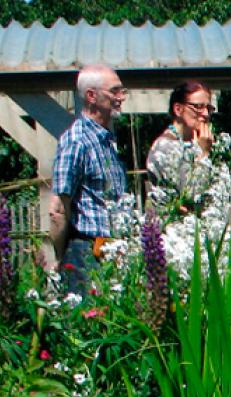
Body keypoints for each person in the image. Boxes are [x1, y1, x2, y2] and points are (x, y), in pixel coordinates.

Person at [43, 64, 128, 293]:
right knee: (89, 323)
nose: (121, 97)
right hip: (86, 253)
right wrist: (59, 258)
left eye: (122, 91)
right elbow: (58, 209)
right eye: (115, 91)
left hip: (112, 252)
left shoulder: (106, 140)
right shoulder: (77, 142)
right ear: (91, 96)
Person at [145, 80, 214, 211]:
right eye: (198, 107)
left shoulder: (195, 143)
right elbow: (191, 196)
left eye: (208, 108)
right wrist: (203, 154)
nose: (205, 114)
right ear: (178, 109)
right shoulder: (165, 147)